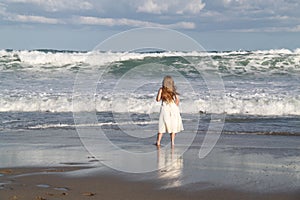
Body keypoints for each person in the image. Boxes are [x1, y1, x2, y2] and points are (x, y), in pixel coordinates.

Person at [155, 76, 183, 146]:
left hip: (165, 108)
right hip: (173, 108)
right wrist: (175, 107)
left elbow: (158, 99)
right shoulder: (173, 90)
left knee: (162, 125)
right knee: (173, 126)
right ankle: (172, 142)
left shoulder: (161, 90)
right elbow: (177, 101)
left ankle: (158, 142)